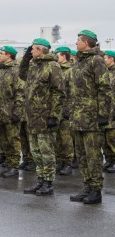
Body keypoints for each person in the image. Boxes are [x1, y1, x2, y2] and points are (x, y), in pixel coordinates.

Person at [69, 30, 111, 204]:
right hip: (77, 117)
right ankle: (87, 187)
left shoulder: (97, 60)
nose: (76, 43)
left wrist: (103, 114)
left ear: (86, 42)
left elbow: (105, 89)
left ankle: (96, 190)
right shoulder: (79, 61)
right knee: (82, 156)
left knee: (93, 155)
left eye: (78, 40)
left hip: (91, 118)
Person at [20, 38, 65, 196]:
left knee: (46, 152)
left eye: (33, 49)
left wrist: (54, 115)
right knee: (36, 152)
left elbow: (58, 93)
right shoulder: (34, 66)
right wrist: (26, 59)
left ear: (40, 50)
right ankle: (40, 180)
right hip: (33, 117)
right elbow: (22, 74)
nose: (31, 51)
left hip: (45, 117)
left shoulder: (52, 66)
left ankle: (48, 183)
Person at [0, 46, 25, 178]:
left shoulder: (16, 71)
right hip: (0, 110)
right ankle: (7, 162)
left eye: (1, 54)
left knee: (13, 139)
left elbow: (20, 93)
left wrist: (17, 112)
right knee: (2, 139)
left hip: (11, 110)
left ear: (9, 56)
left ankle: (14, 166)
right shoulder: (0, 71)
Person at [54, 46, 74, 176]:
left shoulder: (70, 71)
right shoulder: (56, 69)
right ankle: (60, 160)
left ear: (64, 57)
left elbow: (71, 93)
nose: (56, 58)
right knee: (57, 138)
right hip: (56, 109)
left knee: (66, 138)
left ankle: (68, 163)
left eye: (57, 55)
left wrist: (67, 110)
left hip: (65, 110)